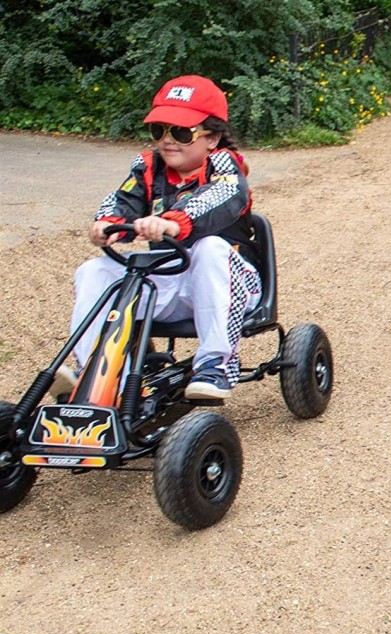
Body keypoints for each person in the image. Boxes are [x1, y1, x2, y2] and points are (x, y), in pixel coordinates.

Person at [53, 74, 261, 401]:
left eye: (181, 132)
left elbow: (221, 196)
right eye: (159, 130)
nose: (167, 140)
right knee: (94, 271)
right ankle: (95, 371)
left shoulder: (224, 167)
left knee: (209, 248)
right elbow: (121, 200)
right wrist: (105, 223)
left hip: (231, 283)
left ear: (212, 137)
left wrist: (174, 222)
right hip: (167, 281)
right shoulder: (149, 168)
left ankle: (214, 365)